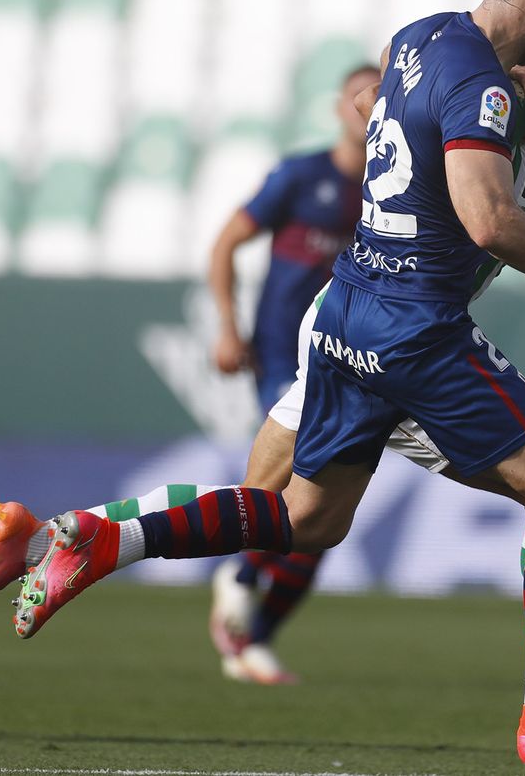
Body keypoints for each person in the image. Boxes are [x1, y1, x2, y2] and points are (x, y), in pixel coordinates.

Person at [0, 0, 525, 771]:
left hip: (350, 310)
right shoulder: (505, 93)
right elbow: (491, 217)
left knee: (299, 516)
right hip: (411, 325)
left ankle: (67, 540)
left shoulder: (427, 39)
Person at [208, 33, 525, 694]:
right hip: (381, 327)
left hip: (367, 323)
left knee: (292, 517)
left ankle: (90, 543)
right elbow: (428, 114)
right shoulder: (516, 106)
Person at [199, 63, 378, 684]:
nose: (368, 110)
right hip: (285, 356)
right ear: (339, 106)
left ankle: (252, 637)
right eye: (360, 98)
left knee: (320, 516)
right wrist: (227, 326)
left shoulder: (396, 189)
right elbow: (225, 243)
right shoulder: (300, 178)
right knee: (301, 473)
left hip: (356, 363)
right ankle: (242, 575)